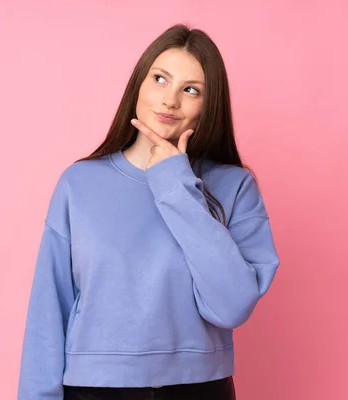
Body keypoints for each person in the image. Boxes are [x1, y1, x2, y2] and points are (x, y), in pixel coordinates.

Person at [17, 23, 281, 400]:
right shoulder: (79, 183)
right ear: (138, 85)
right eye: (160, 79)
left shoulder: (235, 187)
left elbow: (232, 306)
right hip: (95, 389)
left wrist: (174, 183)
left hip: (199, 389)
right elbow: (49, 306)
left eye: (191, 90)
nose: (170, 100)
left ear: (209, 105)